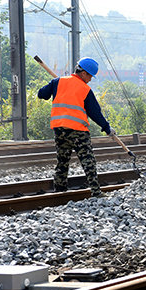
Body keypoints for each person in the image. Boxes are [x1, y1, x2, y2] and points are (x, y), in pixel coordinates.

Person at [37, 57, 112, 198]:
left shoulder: (58, 82)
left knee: (62, 160)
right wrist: (107, 128)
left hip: (59, 129)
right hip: (78, 131)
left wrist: (54, 85)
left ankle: (59, 190)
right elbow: (95, 113)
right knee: (88, 160)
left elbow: (41, 94)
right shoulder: (85, 89)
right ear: (83, 73)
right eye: (90, 76)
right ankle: (96, 192)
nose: (90, 79)